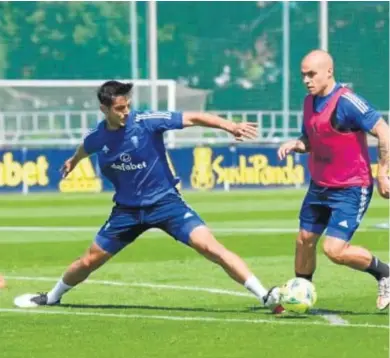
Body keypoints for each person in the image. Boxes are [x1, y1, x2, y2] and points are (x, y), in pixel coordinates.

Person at [15, 80, 282, 313]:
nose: (126, 112)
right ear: (104, 109)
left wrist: (229, 126)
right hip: (127, 212)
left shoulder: (146, 122)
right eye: (119, 108)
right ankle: (51, 297)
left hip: (166, 203)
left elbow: (194, 117)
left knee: (211, 247)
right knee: (89, 260)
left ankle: (264, 295)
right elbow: (85, 147)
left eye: (127, 105)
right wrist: (73, 161)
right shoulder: (98, 136)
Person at [278, 50, 389, 310]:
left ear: (329, 71)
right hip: (320, 184)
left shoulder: (347, 102)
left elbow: (384, 131)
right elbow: (310, 140)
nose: (306, 80)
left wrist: (383, 172)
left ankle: (385, 273)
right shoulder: (309, 102)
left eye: (311, 74)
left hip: (351, 187)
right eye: (303, 75)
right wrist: (297, 143)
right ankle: (300, 296)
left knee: (334, 250)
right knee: (304, 239)